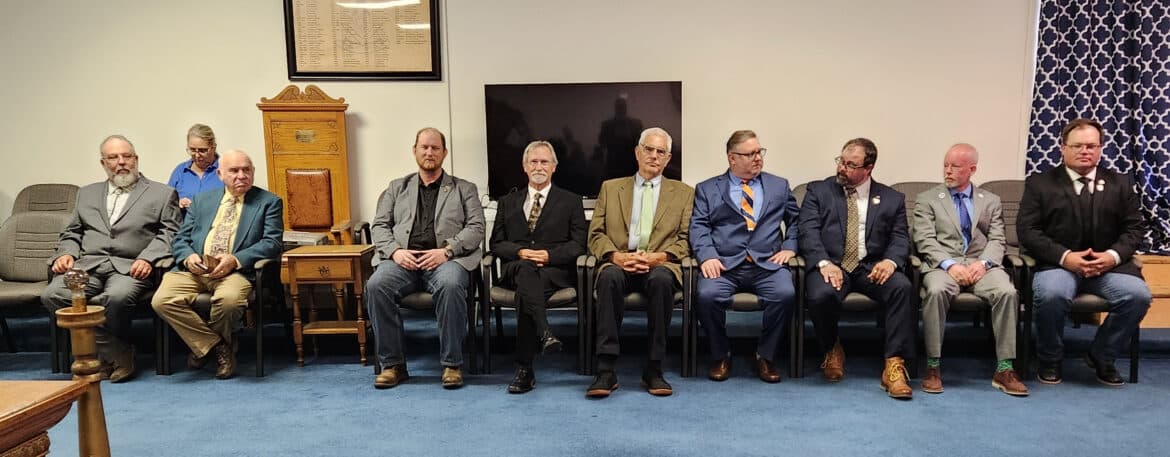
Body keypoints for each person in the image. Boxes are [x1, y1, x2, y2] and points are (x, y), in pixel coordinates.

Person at [1018, 118, 1151, 387]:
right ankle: (1050, 358)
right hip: (1058, 264)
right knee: (1052, 294)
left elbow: (1135, 229)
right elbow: (1028, 231)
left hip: (1108, 267)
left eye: (1091, 146)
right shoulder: (1040, 183)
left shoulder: (1119, 183)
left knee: (1138, 296)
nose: (1084, 151)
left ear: (1100, 148)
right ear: (1063, 148)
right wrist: (1066, 257)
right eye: (1077, 146)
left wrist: (1112, 256)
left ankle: (1102, 355)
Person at [42, 134, 181, 383]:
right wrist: (66, 253)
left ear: (136, 159)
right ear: (103, 163)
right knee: (54, 294)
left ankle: (104, 357)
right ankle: (118, 352)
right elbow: (72, 232)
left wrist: (148, 258)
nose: (121, 162)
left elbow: (170, 233)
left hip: (131, 266)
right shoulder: (87, 193)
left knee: (116, 297)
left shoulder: (162, 193)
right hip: (89, 264)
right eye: (113, 157)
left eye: (127, 156)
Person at [797, 138, 917, 399]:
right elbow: (807, 231)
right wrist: (824, 263)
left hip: (871, 266)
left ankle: (894, 364)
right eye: (841, 161)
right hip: (832, 264)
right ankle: (831, 348)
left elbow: (900, 238)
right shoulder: (818, 191)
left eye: (851, 165)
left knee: (902, 288)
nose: (842, 168)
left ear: (868, 168)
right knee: (821, 294)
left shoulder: (892, 198)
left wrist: (890, 261)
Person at [367, 127, 485, 390]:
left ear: (444, 153)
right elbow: (380, 226)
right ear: (415, 151)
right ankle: (393, 365)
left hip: (445, 260)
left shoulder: (464, 188)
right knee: (376, 285)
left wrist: (447, 250)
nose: (429, 152)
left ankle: (452, 364)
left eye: (435, 148)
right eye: (424, 147)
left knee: (451, 285)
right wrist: (395, 251)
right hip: (403, 260)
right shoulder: (397, 187)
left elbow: (477, 227)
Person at [151, 150, 284, 380]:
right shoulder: (202, 200)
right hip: (195, 269)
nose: (241, 175)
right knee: (161, 300)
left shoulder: (268, 202)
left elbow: (272, 243)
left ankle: (204, 349)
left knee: (229, 301)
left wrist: (235, 259)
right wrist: (188, 257)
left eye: (246, 170)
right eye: (234, 171)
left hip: (235, 272)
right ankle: (217, 347)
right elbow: (181, 238)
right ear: (220, 175)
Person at [912, 143, 1028, 396]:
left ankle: (1005, 368)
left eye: (955, 166)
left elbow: (997, 239)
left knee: (1007, 292)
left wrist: (983, 263)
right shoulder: (927, 199)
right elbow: (924, 239)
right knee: (936, 291)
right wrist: (950, 264)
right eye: (945, 165)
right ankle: (933, 365)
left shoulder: (991, 201)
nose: (948, 171)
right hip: (943, 264)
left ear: (972, 169)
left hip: (981, 263)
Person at [586, 127, 694, 398]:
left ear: (668, 159)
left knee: (661, 281)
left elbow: (686, 240)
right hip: (619, 260)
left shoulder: (684, 193)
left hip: (659, 263)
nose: (654, 156)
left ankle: (654, 368)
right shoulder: (611, 188)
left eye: (661, 152)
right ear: (637, 152)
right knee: (608, 278)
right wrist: (616, 256)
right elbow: (595, 234)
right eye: (649, 149)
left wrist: (660, 257)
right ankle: (606, 368)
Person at [690, 130, 799, 383]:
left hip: (767, 264)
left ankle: (765, 355)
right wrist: (707, 256)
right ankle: (721, 354)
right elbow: (699, 226)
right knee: (706, 296)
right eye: (750, 154)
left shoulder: (779, 185)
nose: (758, 158)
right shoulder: (707, 188)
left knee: (785, 294)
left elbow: (796, 221)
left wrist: (790, 247)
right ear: (732, 158)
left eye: (760, 152)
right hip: (724, 264)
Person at [489, 141, 587, 394]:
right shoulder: (507, 201)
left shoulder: (571, 201)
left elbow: (579, 245)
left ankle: (525, 369)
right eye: (533, 162)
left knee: (526, 289)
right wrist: (520, 252)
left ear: (554, 167)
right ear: (524, 167)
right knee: (525, 271)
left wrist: (549, 255)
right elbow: (496, 243)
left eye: (544, 162)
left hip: (553, 271)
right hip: (516, 267)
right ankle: (544, 332)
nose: (539, 167)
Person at [167, 123, 224, 213]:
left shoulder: (225, 170)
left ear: (213, 147)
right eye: (192, 150)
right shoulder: (180, 171)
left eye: (202, 150)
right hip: (184, 221)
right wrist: (178, 203)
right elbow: (167, 203)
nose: (197, 155)